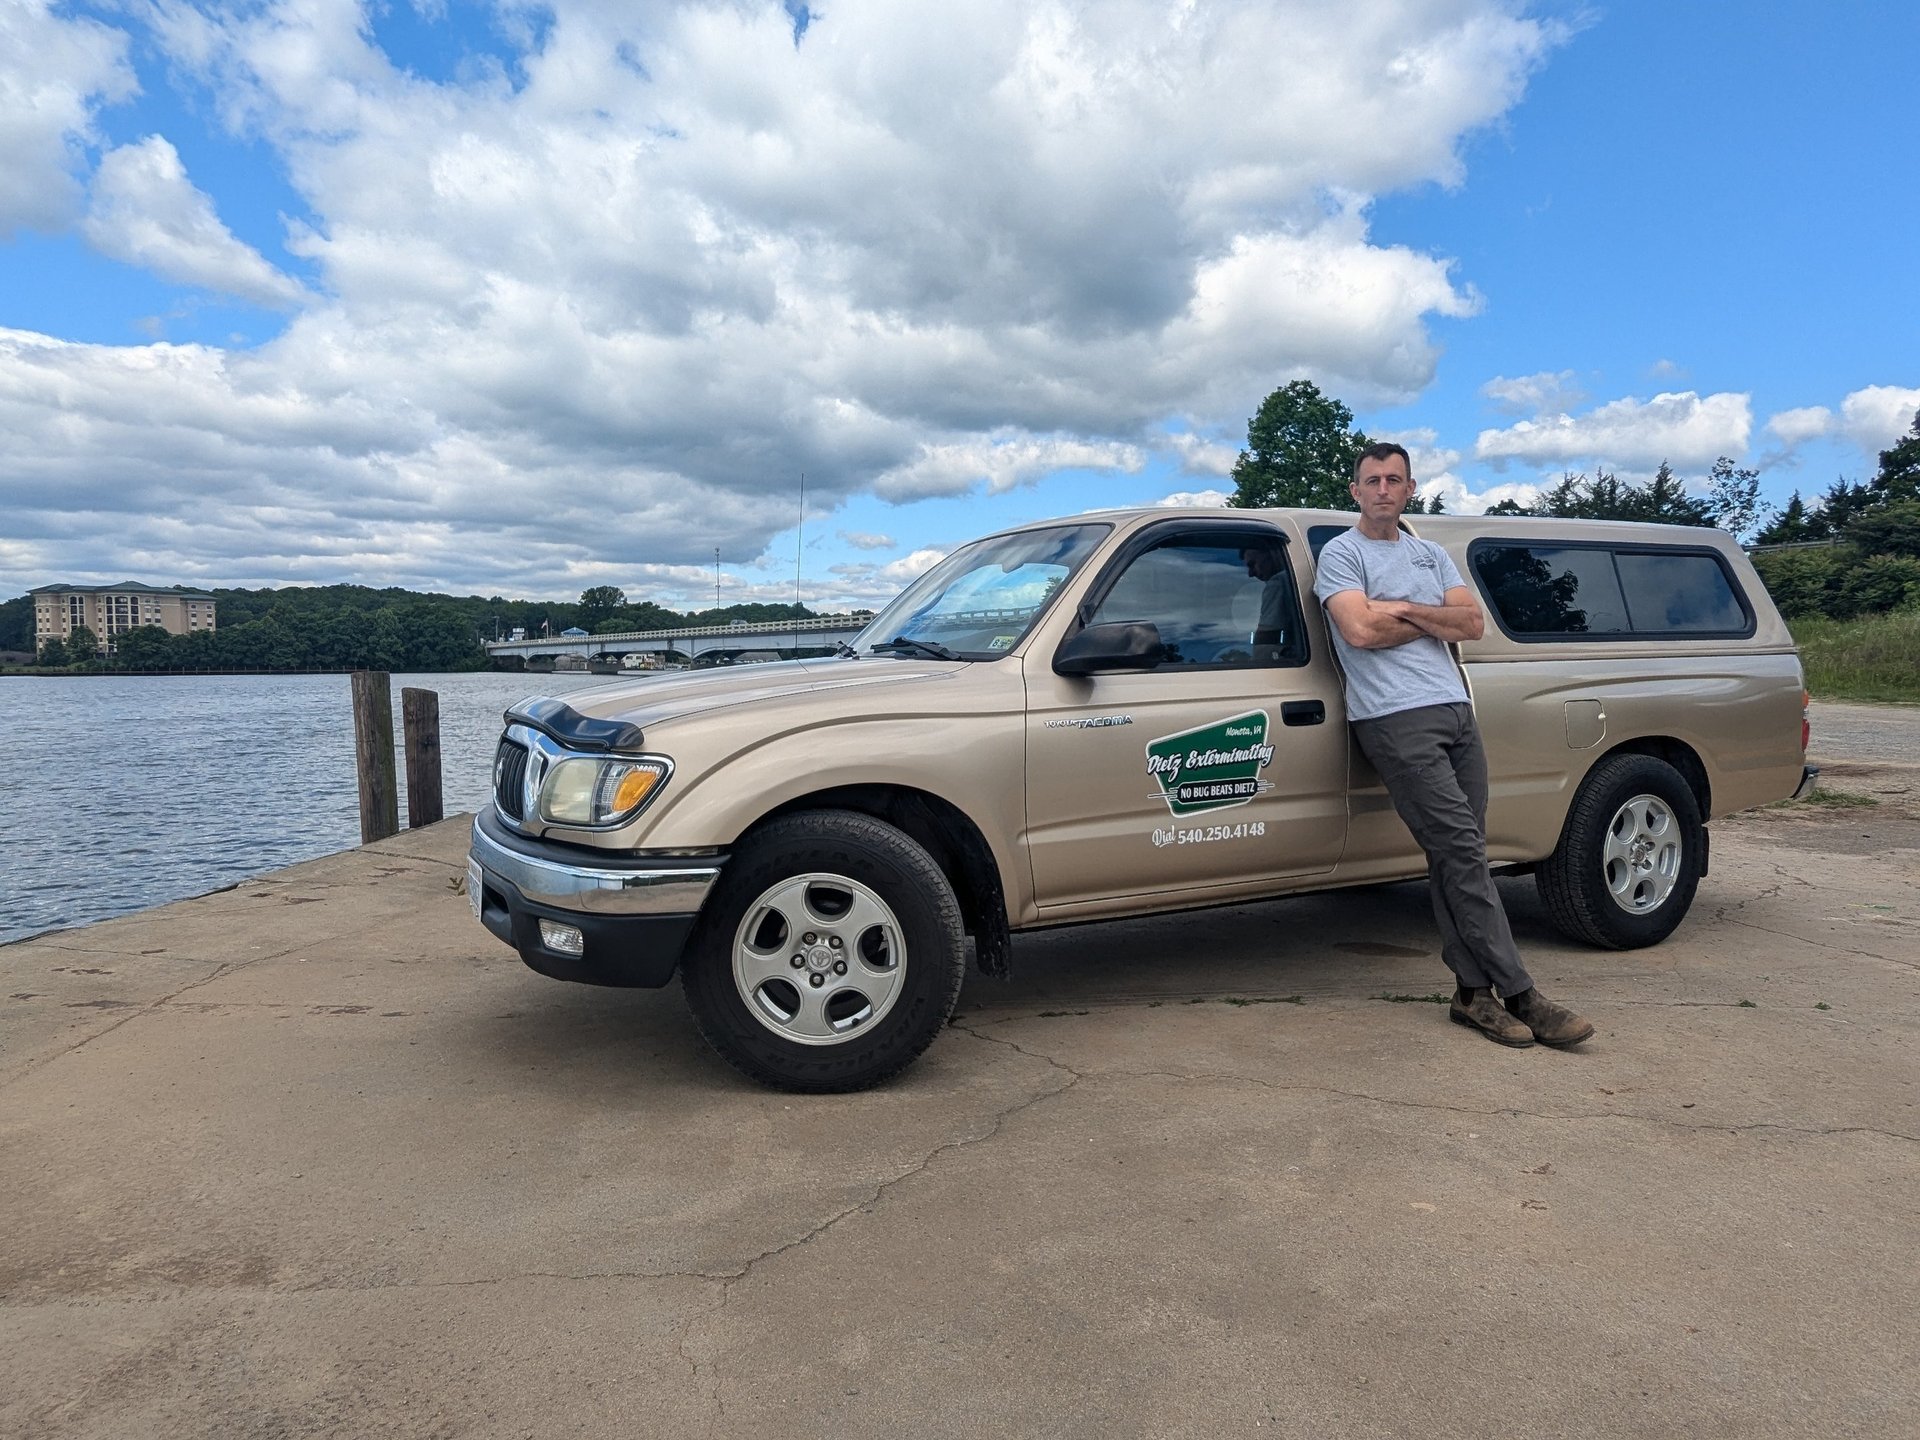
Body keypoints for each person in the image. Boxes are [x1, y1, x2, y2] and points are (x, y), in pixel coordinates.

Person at [1312, 442, 1594, 1048]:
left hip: (1457, 715)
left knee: (1459, 855)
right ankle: (1521, 993)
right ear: (1355, 492)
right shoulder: (1341, 555)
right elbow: (1359, 630)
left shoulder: (1431, 554)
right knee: (1464, 850)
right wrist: (1427, 617)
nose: (1383, 489)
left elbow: (1471, 624)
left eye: (1394, 479)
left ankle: (1471, 996)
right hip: (1393, 719)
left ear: (1410, 488)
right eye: (1372, 480)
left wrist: (1404, 608)